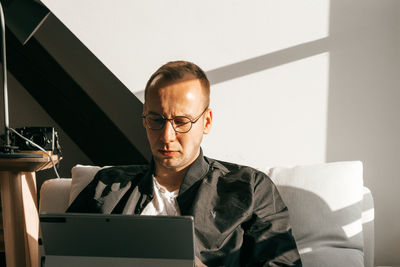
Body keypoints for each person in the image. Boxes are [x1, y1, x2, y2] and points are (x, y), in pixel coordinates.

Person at [67, 60, 302, 266]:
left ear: (206, 121)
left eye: (181, 121)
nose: (167, 135)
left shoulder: (250, 187)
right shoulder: (106, 186)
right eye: (156, 120)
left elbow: (282, 264)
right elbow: (63, 255)